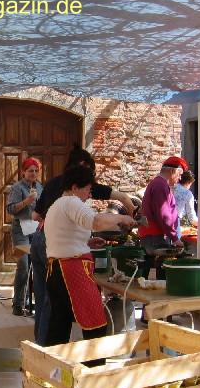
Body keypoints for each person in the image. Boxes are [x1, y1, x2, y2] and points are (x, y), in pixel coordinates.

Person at [30, 145, 136, 345]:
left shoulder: (56, 206)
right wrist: (122, 218)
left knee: (58, 325)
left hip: (57, 269)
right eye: (87, 189)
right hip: (71, 270)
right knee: (95, 324)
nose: (89, 194)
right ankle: (92, 369)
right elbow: (96, 221)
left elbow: (60, 237)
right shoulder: (71, 203)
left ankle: (52, 366)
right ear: (75, 187)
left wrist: (86, 241)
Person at [6, 157, 43, 316]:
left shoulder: (40, 187)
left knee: (36, 267)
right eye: (30, 171)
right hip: (19, 231)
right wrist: (27, 201)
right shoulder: (17, 188)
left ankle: (31, 301)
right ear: (23, 172)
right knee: (23, 265)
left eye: (36, 171)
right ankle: (18, 303)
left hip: (36, 231)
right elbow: (10, 209)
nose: (33, 173)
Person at [138, 156, 186, 271]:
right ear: (172, 171)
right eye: (179, 174)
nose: (180, 179)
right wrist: (174, 238)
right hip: (155, 237)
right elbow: (164, 215)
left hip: (153, 235)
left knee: (152, 270)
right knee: (160, 272)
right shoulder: (160, 186)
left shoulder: (159, 184)